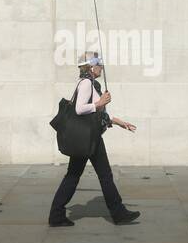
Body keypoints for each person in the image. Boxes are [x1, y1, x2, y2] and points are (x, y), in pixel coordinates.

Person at [48, 52, 140, 228]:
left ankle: (56, 214)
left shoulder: (90, 83)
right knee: (103, 176)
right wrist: (101, 102)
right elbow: (80, 109)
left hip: (88, 137)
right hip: (89, 138)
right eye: (99, 64)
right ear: (90, 66)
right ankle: (118, 213)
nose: (101, 67)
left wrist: (117, 121)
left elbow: (95, 114)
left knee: (74, 176)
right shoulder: (86, 83)